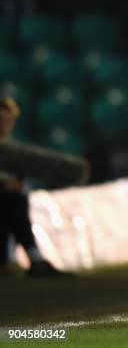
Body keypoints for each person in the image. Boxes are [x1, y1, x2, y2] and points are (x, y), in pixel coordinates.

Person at [0, 97, 77, 277]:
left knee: (16, 198)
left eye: (8, 122)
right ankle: (31, 259)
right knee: (11, 199)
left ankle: (23, 260)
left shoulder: (12, 153)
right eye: (1, 121)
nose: (4, 127)